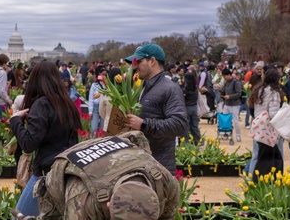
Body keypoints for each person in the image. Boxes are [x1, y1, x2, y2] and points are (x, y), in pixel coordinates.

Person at [33, 131, 180, 220]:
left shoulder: (167, 185)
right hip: (65, 178)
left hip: (117, 158)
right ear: (109, 206)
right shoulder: (81, 203)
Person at [10, 61, 81, 217]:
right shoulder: (66, 103)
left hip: (45, 174)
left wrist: (15, 121)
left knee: (19, 215)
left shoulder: (42, 104)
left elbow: (28, 144)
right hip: (66, 171)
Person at [124, 44, 188, 173]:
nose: (134, 66)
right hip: (143, 163)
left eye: (139, 61)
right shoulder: (142, 87)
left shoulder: (170, 89)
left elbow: (179, 125)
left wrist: (143, 124)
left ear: (152, 61)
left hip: (159, 168)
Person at [248, 69, 284, 180]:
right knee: (269, 158)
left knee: (263, 156)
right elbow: (273, 114)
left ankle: (260, 180)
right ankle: (262, 182)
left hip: (260, 127)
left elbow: (253, 109)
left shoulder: (259, 90)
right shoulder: (275, 93)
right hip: (269, 130)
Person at [220, 68, 243, 142]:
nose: (224, 78)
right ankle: (226, 133)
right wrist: (221, 91)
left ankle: (238, 135)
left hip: (235, 104)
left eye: (224, 76)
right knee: (225, 119)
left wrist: (230, 96)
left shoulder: (236, 82)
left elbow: (239, 93)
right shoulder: (226, 83)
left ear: (229, 75)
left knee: (235, 120)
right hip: (227, 104)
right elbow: (224, 91)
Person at [182, 65, 201, 144]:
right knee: (195, 126)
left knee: (186, 126)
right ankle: (198, 140)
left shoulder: (186, 90)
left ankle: (186, 141)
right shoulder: (195, 89)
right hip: (194, 108)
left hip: (187, 108)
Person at [87, 67, 108, 135]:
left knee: (102, 129)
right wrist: (90, 111)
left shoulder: (108, 86)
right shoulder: (94, 85)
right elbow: (91, 98)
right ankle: (93, 141)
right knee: (94, 128)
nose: (104, 76)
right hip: (96, 108)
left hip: (104, 108)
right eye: (103, 74)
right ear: (99, 74)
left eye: (105, 75)